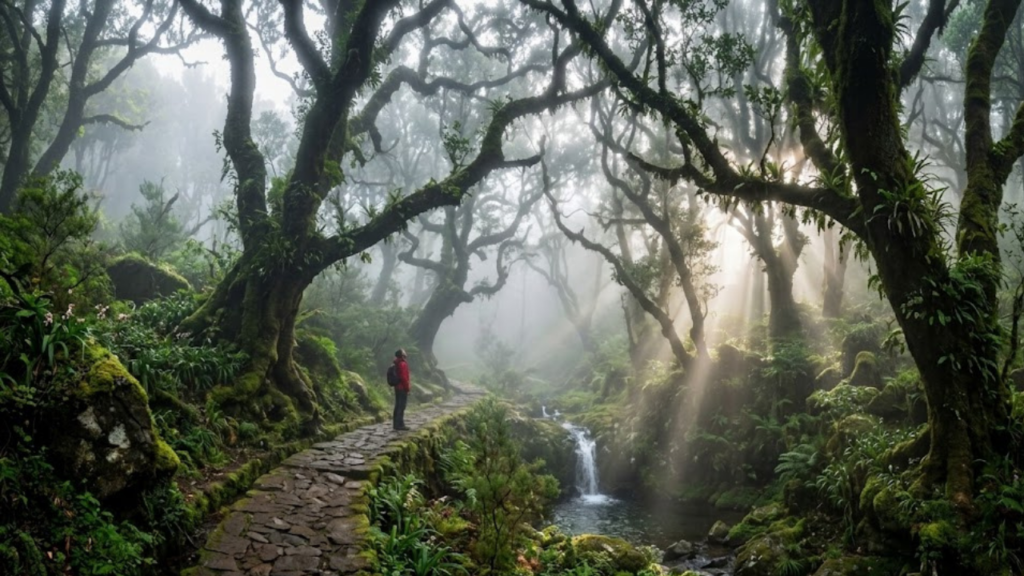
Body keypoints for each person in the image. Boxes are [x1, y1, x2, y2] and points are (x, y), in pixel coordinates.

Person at [392, 349, 411, 431]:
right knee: (401, 406)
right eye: (404, 352)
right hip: (402, 387)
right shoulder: (402, 364)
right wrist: (407, 388)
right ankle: (400, 424)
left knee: (397, 405)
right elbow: (403, 377)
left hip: (397, 387)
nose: (406, 352)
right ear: (402, 354)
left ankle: (396, 424)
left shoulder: (397, 363)